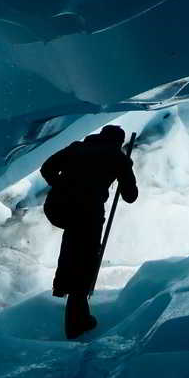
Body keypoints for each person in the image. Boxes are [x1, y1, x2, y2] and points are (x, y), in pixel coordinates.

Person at [40, 124, 138, 339]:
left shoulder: (77, 147)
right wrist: (123, 168)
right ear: (118, 143)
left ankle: (64, 290)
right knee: (85, 257)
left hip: (57, 207)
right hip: (87, 213)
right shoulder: (117, 157)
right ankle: (76, 321)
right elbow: (131, 196)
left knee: (73, 244)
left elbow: (46, 168)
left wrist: (62, 186)